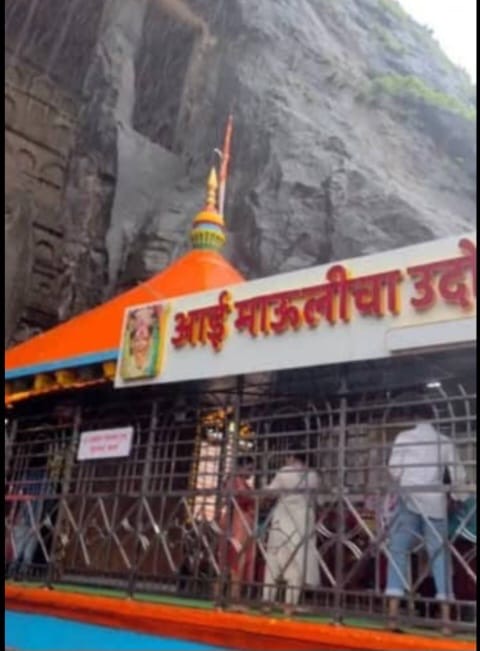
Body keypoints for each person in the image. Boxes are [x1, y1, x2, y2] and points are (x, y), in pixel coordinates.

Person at [385, 396, 468, 634]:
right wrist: (459, 497)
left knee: (398, 553)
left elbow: (394, 471)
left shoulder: (404, 438)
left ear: (413, 417)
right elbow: (458, 475)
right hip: (435, 505)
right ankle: (446, 621)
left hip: (409, 501)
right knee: (440, 558)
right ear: (434, 417)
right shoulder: (444, 441)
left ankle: (392, 617)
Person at [262, 445, 320, 610]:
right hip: (302, 522)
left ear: (293, 457)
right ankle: (290, 605)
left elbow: (271, 492)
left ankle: (267, 601)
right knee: (297, 563)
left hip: (283, 520)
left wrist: (263, 488)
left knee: (273, 562)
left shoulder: (285, 472)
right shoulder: (313, 476)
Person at [217, 456, 256, 603]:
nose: (252, 472)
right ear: (240, 468)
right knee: (236, 558)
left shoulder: (242, 482)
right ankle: (232, 596)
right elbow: (236, 498)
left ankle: (229, 595)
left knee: (237, 559)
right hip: (236, 521)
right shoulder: (234, 480)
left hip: (242, 522)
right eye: (249, 469)